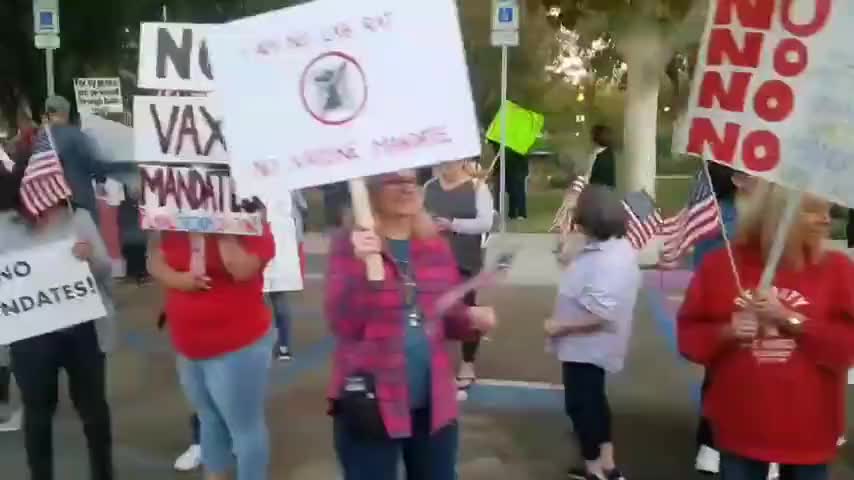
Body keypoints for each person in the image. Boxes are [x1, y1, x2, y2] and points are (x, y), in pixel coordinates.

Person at [326, 169, 497, 479]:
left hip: (432, 401)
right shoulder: (349, 247)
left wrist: (471, 319)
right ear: (371, 190)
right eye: (395, 181)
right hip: (372, 400)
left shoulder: (434, 246)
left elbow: (446, 316)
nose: (407, 189)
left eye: (412, 181)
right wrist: (364, 269)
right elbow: (343, 323)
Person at [678, 183, 854, 480]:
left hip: (811, 427)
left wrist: (790, 319)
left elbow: (846, 349)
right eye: (813, 210)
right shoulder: (722, 266)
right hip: (740, 424)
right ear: (778, 216)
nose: (826, 219)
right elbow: (690, 339)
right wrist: (728, 332)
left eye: (828, 211)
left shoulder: (837, 270)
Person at [1, 156, 117, 480]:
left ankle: (104, 473)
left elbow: (106, 271)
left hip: (83, 330)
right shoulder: (3, 228)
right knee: (37, 415)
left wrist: (90, 257)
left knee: (94, 411)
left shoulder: (77, 217)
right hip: (32, 335)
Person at [148, 200, 276, 480]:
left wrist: (221, 224)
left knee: (244, 428)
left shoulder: (252, 219)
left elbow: (241, 268)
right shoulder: (172, 212)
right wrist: (179, 280)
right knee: (209, 418)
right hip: (188, 343)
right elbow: (154, 259)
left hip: (237, 344)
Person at [543, 185, 640, 480]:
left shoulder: (609, 260)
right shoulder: (608, 246)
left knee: (581, 406)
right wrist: (565, 241)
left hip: (586, 345)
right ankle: (606, 462)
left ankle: (594, 466)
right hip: (589, 346)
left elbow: (600, 314)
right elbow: (569, 261)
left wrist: (559, 327)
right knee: (595, 400)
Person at [424, 159, 495, 399]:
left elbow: (486, 222)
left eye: (452, 162)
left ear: (462, 161)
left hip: (465, 259)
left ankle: (467, 363)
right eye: (442, 162)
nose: (446, 166)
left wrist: (453, 225)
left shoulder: (477, 187)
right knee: (434, 313)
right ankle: (437, 365)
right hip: (433, 261)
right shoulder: (430, 187)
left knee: (467, 311)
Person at [43, 95, 108, 223]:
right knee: (86, 236)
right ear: (65, 113)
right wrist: (100, 180)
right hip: (80, 196)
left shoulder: (40, 138)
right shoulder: (78, 136)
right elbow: (93, 162)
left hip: (51, 200)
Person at [265, 191, 308, 361]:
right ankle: (282, 345)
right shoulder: (288, 182)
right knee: (277, 298)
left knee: (275, 298)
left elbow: (302, 209)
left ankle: (281, 344)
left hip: (274, 243)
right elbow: (303, 209)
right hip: (280, 244)